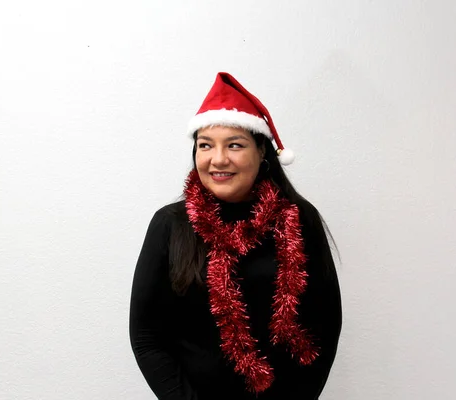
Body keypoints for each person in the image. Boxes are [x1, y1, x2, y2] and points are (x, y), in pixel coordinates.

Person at [129, 72, 342, 400]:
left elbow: (325, 325)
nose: (218, 159)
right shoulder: (169, 225)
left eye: (235, 145)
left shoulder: (300, 220)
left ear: (262, 153)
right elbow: (147, 337)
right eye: (205, 146)